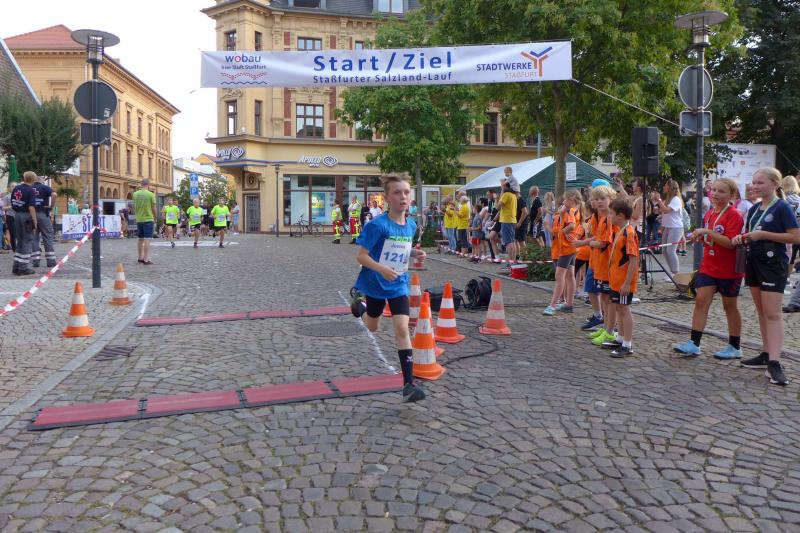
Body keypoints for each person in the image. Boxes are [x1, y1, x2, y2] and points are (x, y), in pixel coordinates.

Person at [349, 173, 427, 403]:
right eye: (397, 192)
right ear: (387, 198)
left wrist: (414, 253)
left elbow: (401, 249)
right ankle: (360, 306)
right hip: (375, 283)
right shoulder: (377, 225)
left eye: (406, 192)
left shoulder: (411, 225)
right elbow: (361, 257)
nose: (403, 197)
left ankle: (408, 385)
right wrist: (382, 269)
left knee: (402, 330)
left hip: (398, 284)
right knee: (372, 326)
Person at [733, 168, 800, 386]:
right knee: (762, 311)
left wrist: (763, 234)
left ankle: (775, 362)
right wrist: (741, 237)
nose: (755, 186)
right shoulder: (754, 209)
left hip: (773, 263)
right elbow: (752, 232)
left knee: (773, 313)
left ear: (775, 184)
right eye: (754, 182)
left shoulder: (782, 207)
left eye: (760, 182)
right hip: (754, 261)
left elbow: (795, 237)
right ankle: (766, 353)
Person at [673, 178, 745, 359]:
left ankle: (735, 346)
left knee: (730, 306)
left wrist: (707, 232)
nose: (715, 194)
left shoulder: (734, 215)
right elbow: (711, 240)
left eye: (721, 191)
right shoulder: (710, 214)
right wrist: (701, 238)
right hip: (709, 266)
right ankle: (694, 343)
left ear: (732, 195)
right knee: (701, 301)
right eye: (714, 190)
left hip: (729, 269)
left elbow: (730, 243)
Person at [604, 197, 639, 358]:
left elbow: (633, 260)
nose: (609, 216)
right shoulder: (620, 230)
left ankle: (627, 344)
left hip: (623, 282)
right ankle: (620, 338)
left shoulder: (629, 233)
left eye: (611, 213)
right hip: (616, 280)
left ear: (621, 215)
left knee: (624, 310)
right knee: (619, 308)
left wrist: (627, 283)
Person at [587, 185, 618, 346]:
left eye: (602, 199)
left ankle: (610, 331)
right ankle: (606, 327)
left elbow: (603, 243)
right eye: (596, 199)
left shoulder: (609, 219)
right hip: (601, 264)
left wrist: (588, 243)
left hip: (609, 265)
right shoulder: (602, 217)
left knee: (609, 300)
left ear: (611, 199)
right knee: (605, 298)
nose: (599, 202)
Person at [544, 190, 582, 315]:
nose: (563, 202)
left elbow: (571, 226)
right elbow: (558, 230)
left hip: (565, 248)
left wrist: (563, 232)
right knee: (570, 276)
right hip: (566, 248)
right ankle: (568, 304)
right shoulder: (568, 211)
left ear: (571, 200)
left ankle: (553, 305)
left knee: (559, 277)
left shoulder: (570, 211)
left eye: (565, 199)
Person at [652, 179, 684, 279]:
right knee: (664, 251)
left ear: (670, 188)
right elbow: (663, 212)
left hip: (676, 227)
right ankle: (672, 272)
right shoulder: (668, 200)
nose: (663, 187)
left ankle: (676, 274)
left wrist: (659, 201)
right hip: (668, 227)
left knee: (671, 251)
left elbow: (666, 210)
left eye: (665, 185)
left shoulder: (676, 199)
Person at [10, 172, 38, 275]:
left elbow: (12, 202)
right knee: (27, 240)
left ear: (24, 178)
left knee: (20, 241)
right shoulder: (31, 190)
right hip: (26, 216)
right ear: (33, 179)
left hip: (17, 215)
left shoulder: (16, 188)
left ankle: (16, 266)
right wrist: (35, 220)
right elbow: (31, 207)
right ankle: (23, 267)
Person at [31, 175, 57, 268]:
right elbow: (54, 194)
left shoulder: (29, 188)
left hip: (31, 215)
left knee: (34, 238)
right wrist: (51, 206)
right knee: (47, 236)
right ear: (41, 180)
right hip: (43, 213)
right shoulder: (44, 187)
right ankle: (50, 261)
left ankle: (36, 261)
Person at [133, 178, 156, 265]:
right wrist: (155, 217)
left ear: (141, 184)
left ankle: (140, 257)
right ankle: (146, 259)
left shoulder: (135, 194)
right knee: (147, 239)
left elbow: (135, 206)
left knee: (140, 239)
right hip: (148, 219)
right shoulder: (151, 194)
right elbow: (153, 208)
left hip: (139, 219)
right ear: (148, 184)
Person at [497, 178, 518, 263]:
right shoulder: (513, 195)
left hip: (506, 220)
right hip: (512, 220)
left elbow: (498, 206)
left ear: (505, 186)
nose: (501, 187)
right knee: (512, 241)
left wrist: (501, 192)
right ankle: (513, 261)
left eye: (501, 185)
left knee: (508, 242)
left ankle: (511, 262)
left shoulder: (506, 195)